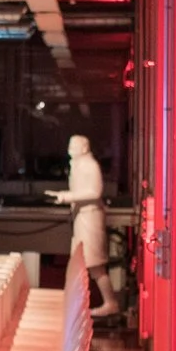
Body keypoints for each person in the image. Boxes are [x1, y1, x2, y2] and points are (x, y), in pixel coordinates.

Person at [48, 134, 119, 317]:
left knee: (94, 263)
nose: (69, 150)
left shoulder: (90, 165)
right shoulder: (79, 165)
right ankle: (76, 303)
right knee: (80, 261)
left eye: (74, 146)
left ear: (85, 148)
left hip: (90, 218)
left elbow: (95, 191)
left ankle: (110, 302)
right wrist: (65, 195)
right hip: (82, 217)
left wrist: (67, 196)